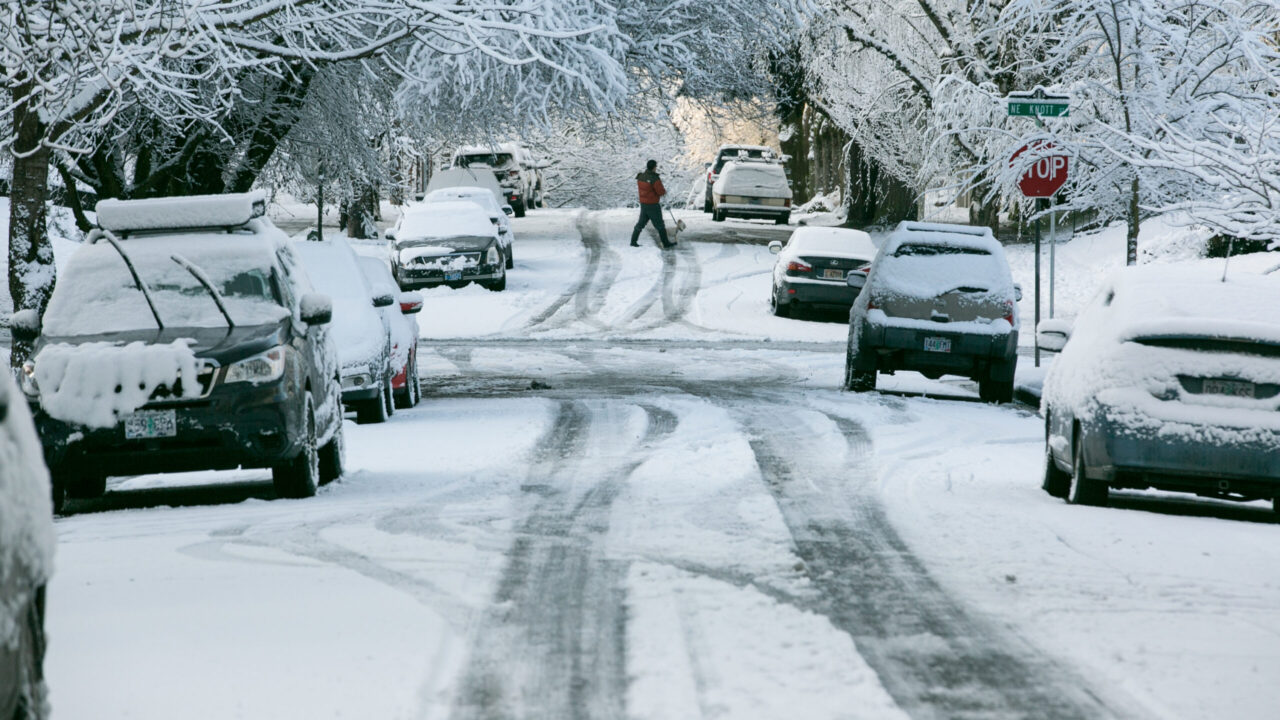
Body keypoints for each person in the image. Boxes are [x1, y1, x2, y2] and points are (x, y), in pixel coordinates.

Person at [630, 159, 674, 248]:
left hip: (644, 204)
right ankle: (666, 243)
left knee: (640, 224)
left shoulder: (640, 177)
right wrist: (663, 191)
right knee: (660, 225)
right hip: (653, 205)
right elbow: (660, 192)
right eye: (656, 167)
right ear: (654, 168)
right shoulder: (654, 178)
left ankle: (633, 241)